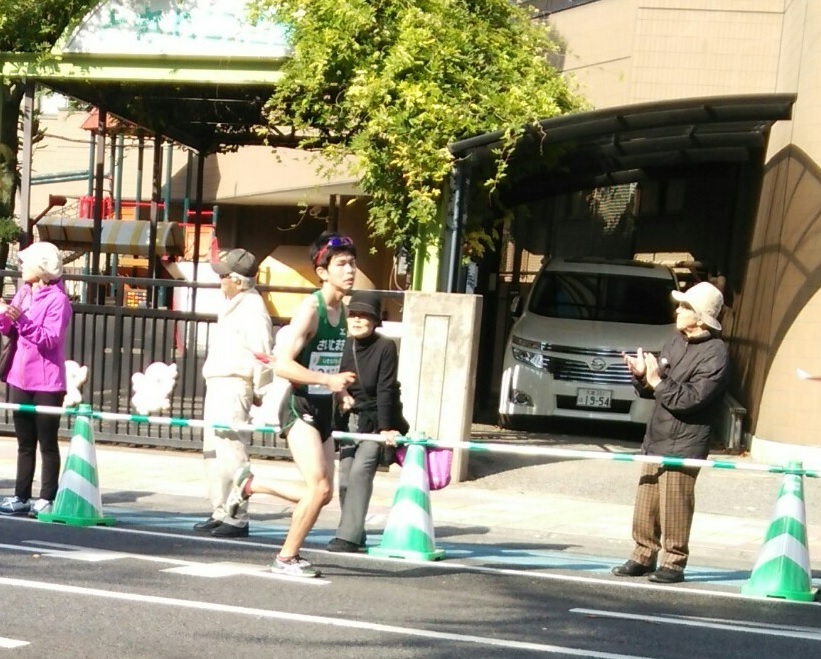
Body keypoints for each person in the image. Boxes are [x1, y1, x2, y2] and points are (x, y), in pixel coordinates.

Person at [227, 232, 357, 577]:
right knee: (321, 488)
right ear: (323, 272)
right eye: (341, 264)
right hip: (300, 408)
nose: (350, 270)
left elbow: (322, 362)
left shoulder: (340, 309)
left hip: (324, 408)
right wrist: (328, 381)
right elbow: (283, 364)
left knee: (322, 494)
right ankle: (286, 558)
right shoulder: (311, 308)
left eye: (352, 263)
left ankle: (254, 485)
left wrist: (339, 392)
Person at [611, 281, 730, 584]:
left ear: (701, 316)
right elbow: (657, 387)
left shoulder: (716, 354)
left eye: (685, 306)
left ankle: (674, 563)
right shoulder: (674, 341)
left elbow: (691, 399)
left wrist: (657, 381)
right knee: (646, 501)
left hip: (686, 441)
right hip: (657, 435)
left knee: (675, 504)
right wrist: (642, 377)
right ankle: (642, 554)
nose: (678, 310)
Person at [193, 248, 273, 538]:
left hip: (234, 383)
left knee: (232, 450)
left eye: (224, 276)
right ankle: (220, 509)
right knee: (213, 451)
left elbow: (262, 350)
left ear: (239, 281)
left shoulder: (252, 307)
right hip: (219, 382)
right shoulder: (234, 303)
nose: (221, 281)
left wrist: (259, 388)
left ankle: (237, 515)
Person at [327, 290, 409, 553]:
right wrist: (341, 395)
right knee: (345, 478)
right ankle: (354, 530)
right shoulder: (342, 345)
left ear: (375, 321)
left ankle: (348, 536)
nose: (358, 320)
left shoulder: (386, 347)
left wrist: (387, 427)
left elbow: (386, 388)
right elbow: (330, 379)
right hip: (349, 420)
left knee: (361, 473)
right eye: (354, 314)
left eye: (365, 315)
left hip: (375, 419)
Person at [0, 242, 72, 517]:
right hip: (20, 376)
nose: (21, 268)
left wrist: (24, 322)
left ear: (41, 268)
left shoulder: (59, 300)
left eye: (26, 263)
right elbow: (9, 330)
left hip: (47, 381)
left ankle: (47, 497)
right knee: (24, 442)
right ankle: (21, 496)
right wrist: (6, 317)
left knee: (48, 442)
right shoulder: (23, 292)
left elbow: (51, 339)